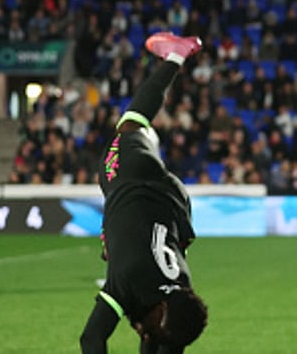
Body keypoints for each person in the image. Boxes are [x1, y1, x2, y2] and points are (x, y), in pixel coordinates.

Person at [81, 32, 209, 352]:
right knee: (130, 127)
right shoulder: (128, 279)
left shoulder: (182, 301)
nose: (146, 333)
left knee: (157, 335)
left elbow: (162, 335)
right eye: (152, 330)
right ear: (162, 307)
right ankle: (175, 56)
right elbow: (91, 338)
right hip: (132, 176)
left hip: (174, 203)